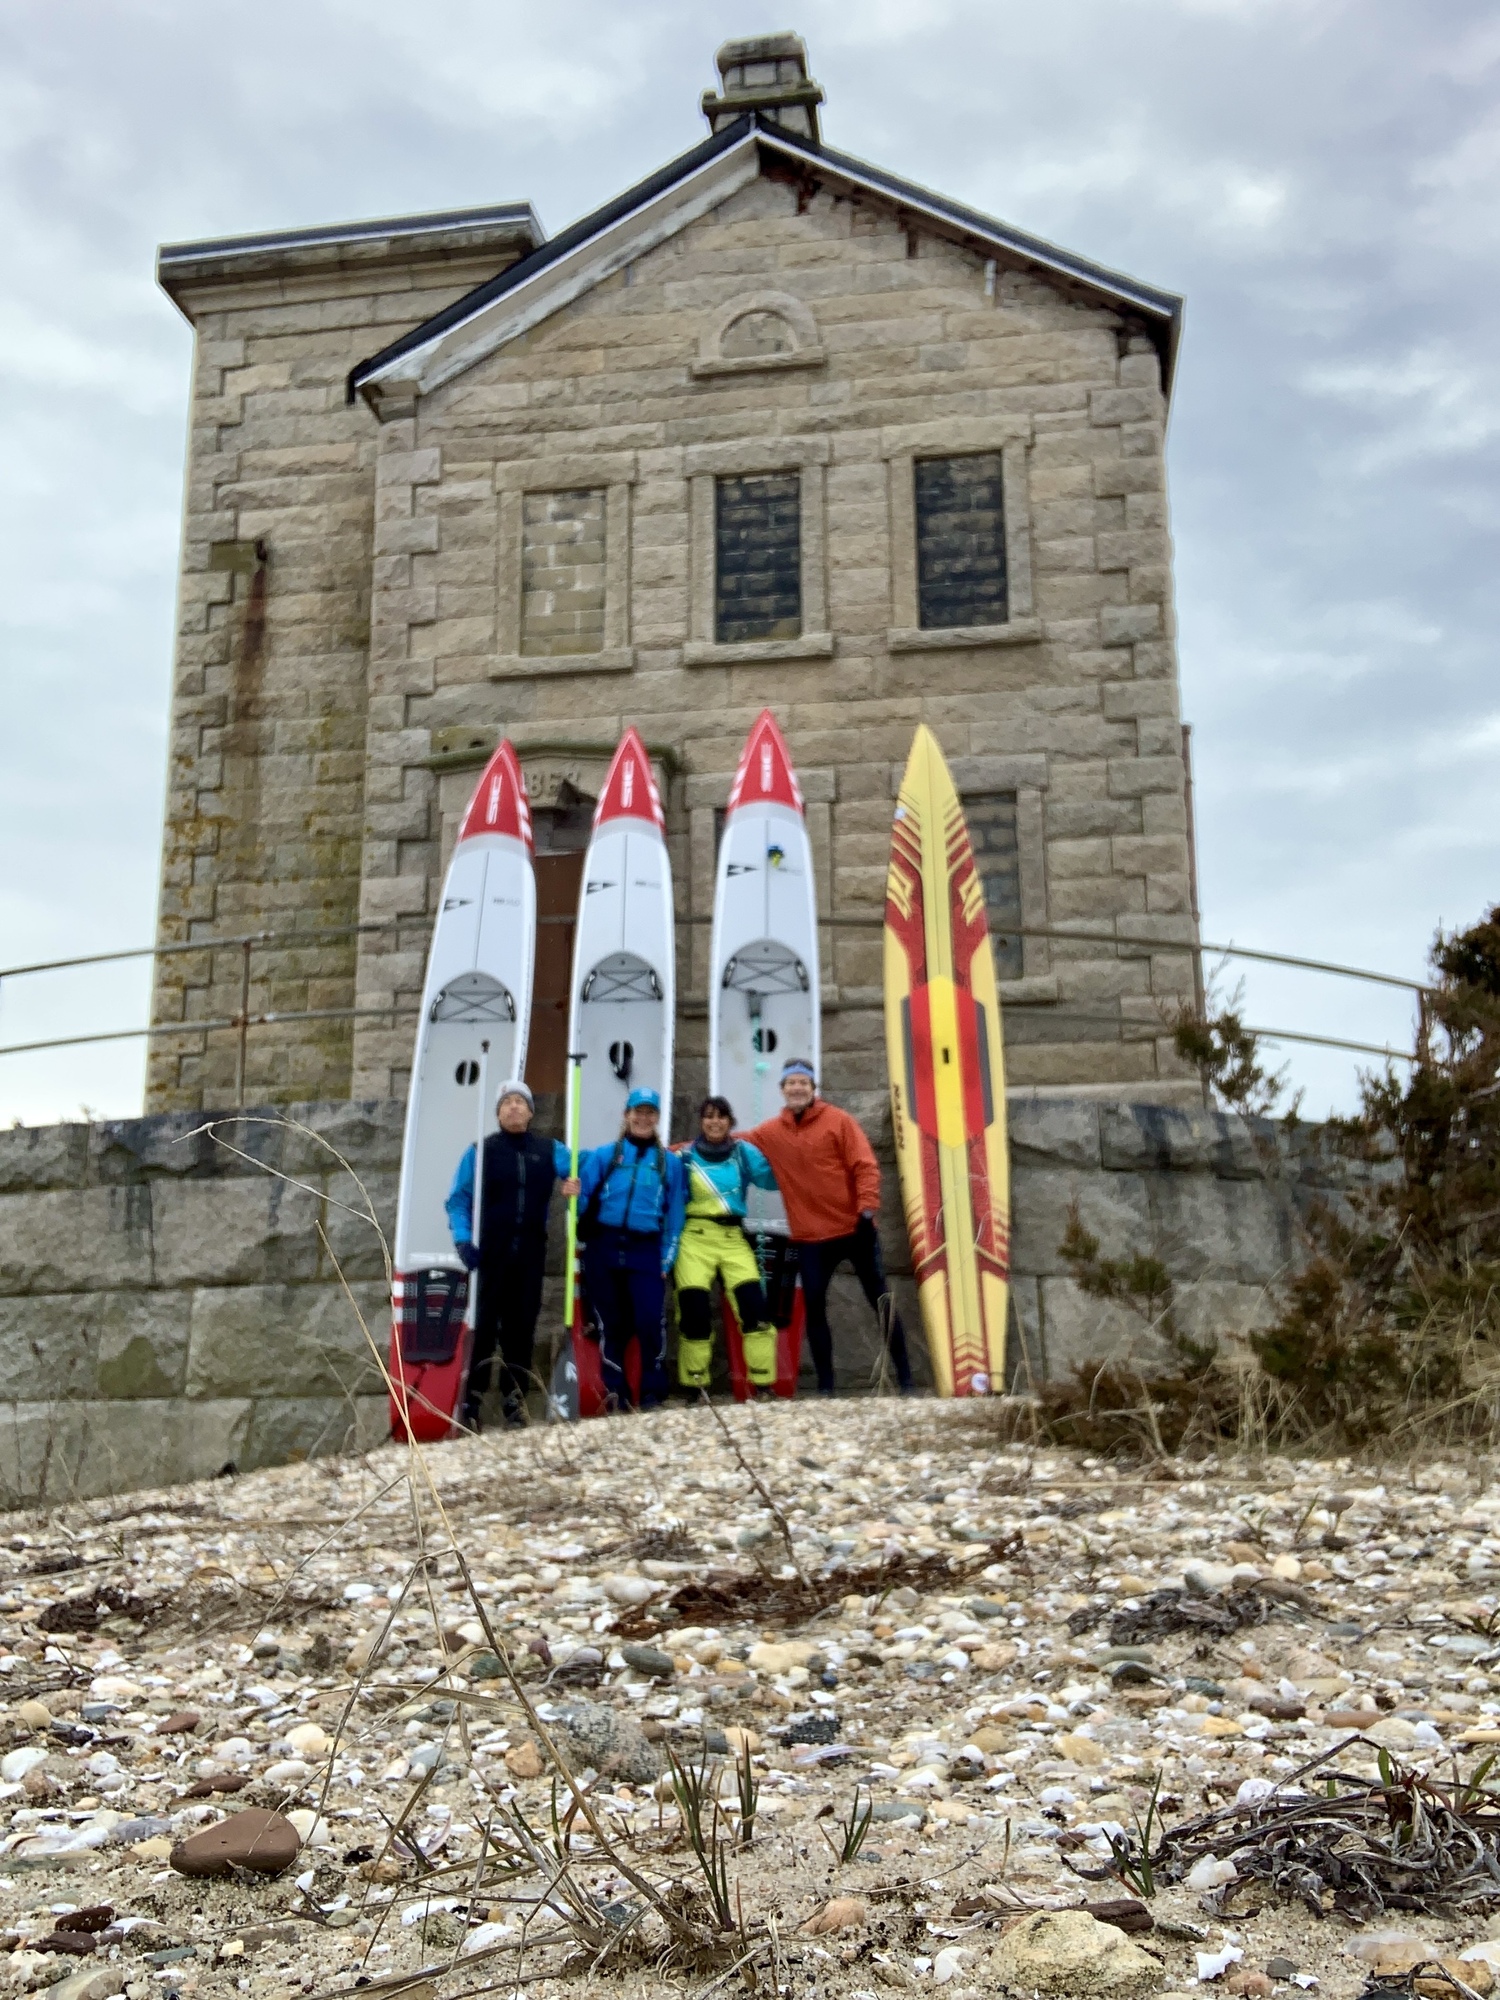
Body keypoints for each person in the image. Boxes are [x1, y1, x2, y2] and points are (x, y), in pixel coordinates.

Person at [742, 1058, 914, 1396]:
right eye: (790, 1083)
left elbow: (865, 1166)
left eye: (802, 1083)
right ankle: (826, 1387)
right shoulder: (771, 1133)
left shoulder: (840, 1121)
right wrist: (677, 1150)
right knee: (816, 1309)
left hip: (854, 1230)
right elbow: (727, 1140)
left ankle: (906, 1378)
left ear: (812, 1088)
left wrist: (867, 1211)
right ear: (782, 1090)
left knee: (880, 1299)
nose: (796, 1088)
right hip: (810, 1238)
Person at [447, 1080, 579, 1431]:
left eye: (521, 1101)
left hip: (531, 1255)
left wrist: (574, 1184)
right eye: (507, 1102)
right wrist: (462, 1241)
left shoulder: (549, 1150)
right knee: (486, 1330)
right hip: (490, 1254)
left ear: (531, 1111)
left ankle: (514, 1405)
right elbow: (457, 1200)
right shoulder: (480, 1151)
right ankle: (471, 1407)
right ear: (498, 1112)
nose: (514, 1107)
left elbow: (581, 1173)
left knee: (521, 1332)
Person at [575, 1087, 687, 1412]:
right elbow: (582, 1204)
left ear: (657, 1118)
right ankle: (616, 1393)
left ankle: (652, 1391)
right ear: (627, 1115)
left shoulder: (669, 1165)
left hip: (645, 1249)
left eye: (650, 1112)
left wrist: (668, 1257)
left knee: (650, 1319)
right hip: (604, 1247)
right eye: (637, 1111)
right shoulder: (603, 1156)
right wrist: (574, 1195)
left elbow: (675, 1215)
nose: (643, 1118)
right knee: (611, 1324)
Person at [673, 1096, 782, 1393]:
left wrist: (787, 1150)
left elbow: (776, 1178)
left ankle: (763, 1384)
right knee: (694, 1312)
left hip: (734, 1239)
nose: (715, 1121)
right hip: (693, 1239)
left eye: (721, 1116)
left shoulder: (743, 1153)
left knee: (754, 1310)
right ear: (701, 1121)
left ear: (730, 1122)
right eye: (708, 1116)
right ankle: (695, 1387)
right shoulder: (683, 1156)